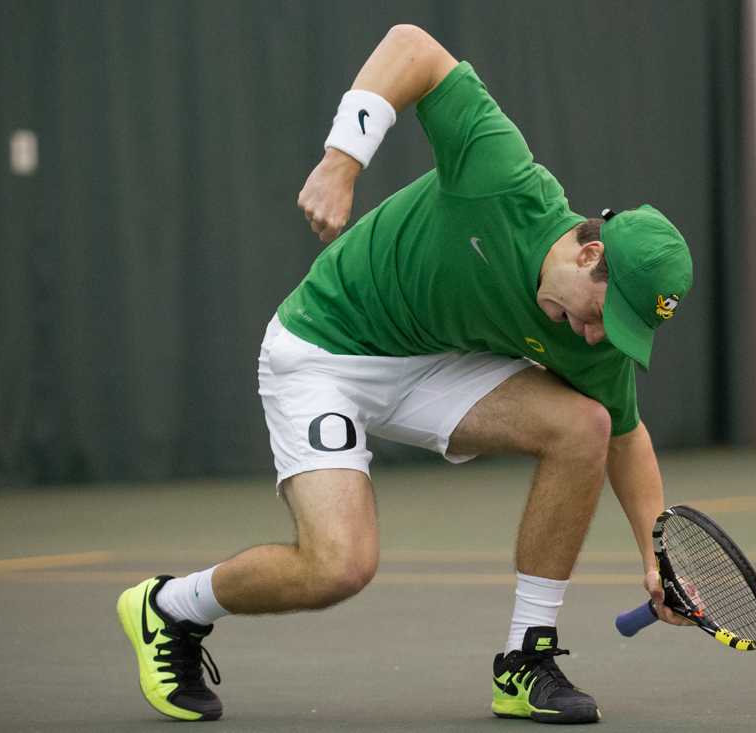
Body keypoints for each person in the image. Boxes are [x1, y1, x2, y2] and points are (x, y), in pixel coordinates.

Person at [116, 24, 693, 725]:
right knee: (339, 566)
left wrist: (659, 553)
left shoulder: (594, 339)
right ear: (589, 253)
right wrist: (342, 159)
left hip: (431, 365)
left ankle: (524, 660)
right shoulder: (502, 177)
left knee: (588, 425)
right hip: (324, 347)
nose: (600, 335)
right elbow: (413, 46)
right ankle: (169, 606)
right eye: (606, 312)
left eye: (622, 331)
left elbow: (627, 438)